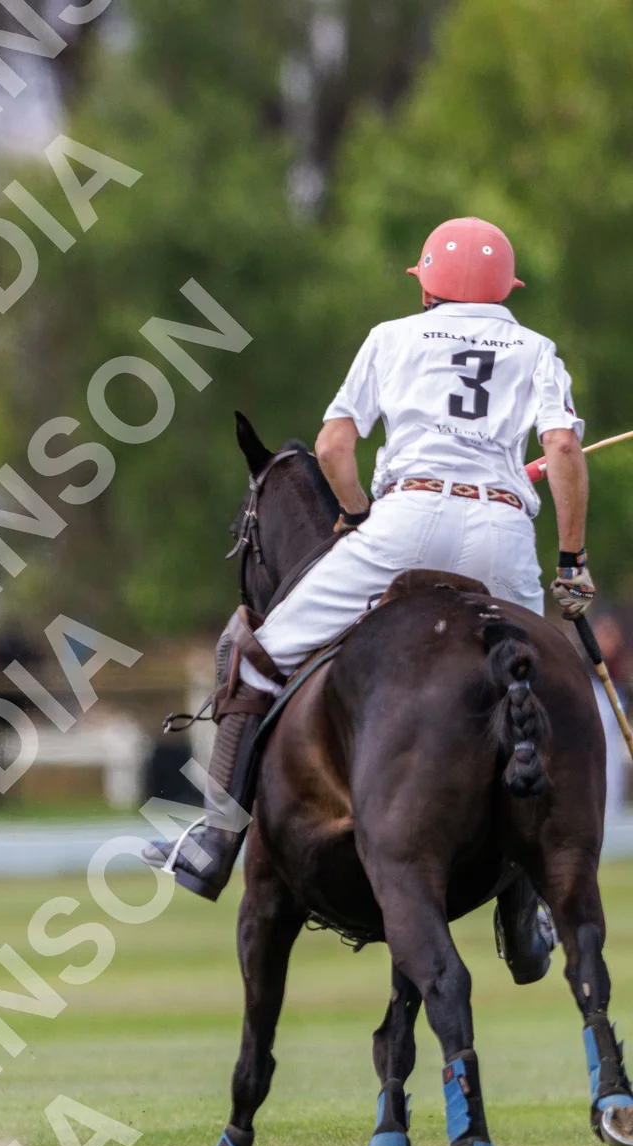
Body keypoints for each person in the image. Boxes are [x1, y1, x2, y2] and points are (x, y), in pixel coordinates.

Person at [149, 218, 590, 962]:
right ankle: (526, 911)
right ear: (504, 291)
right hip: (502, 532)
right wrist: (572, 561)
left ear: (427, 286)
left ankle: (214, 841)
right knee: (532, 693)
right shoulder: (537, 350)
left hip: (404, 522)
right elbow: (564, 449)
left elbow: (333, 448)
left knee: (252, 652)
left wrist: (357, 515)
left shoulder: (391, 337)